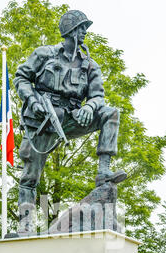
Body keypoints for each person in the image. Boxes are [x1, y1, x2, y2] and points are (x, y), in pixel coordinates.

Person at [14, 10, 127, 232]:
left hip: (71, 119)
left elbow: (98, 96)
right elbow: (22, 78)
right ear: (69, 31)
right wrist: (33, 102)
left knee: (110, 113)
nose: (84, 32)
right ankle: (25, 225)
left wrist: (90, 106)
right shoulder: (44, 54)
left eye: (85, 28)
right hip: (41, 120)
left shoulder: (90, 65)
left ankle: (104, 170)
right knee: (30, 177)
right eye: (80, 28)